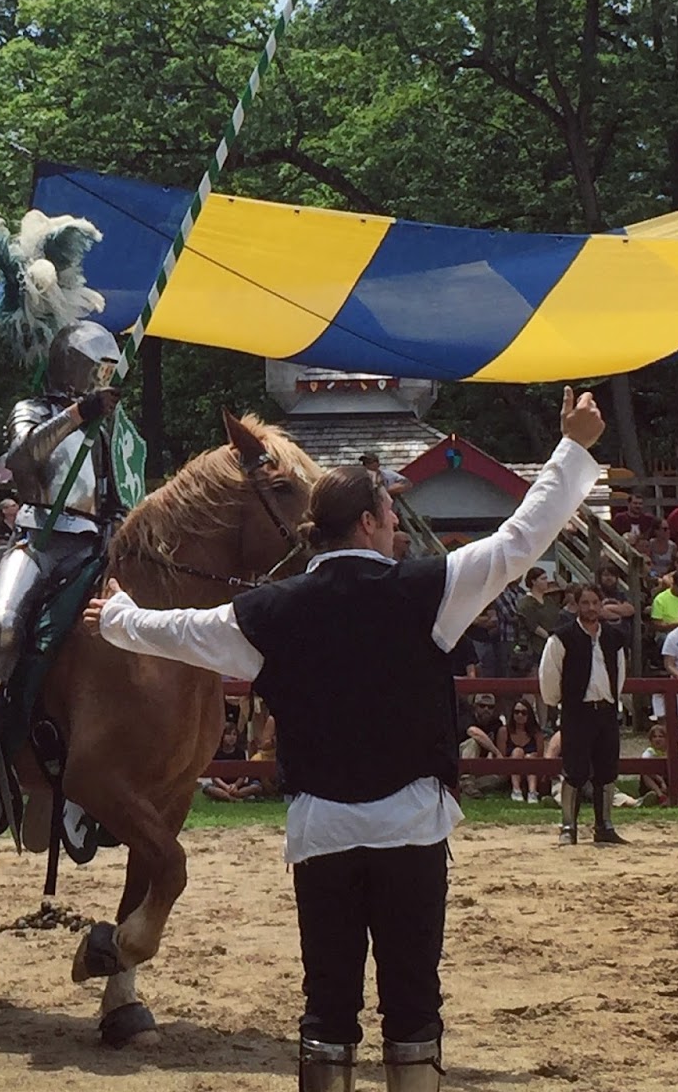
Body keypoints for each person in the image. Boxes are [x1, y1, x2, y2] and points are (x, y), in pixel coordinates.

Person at [87, 387, 605, 1092]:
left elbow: (181, 632)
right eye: (392, 514)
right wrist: (573, 448)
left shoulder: (267, 612)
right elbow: (521, 541)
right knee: (412, 1003)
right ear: (366, 522)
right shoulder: (431, 590)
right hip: (412, 828)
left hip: (322, 832)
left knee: (327, 1008)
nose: (398, 528)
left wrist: (118, 618)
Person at [0, 319, 123, 786]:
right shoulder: (31, 408)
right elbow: (21, 457)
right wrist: (76, 416)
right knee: (2, 623)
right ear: (75, 367)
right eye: (98, 370)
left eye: (109, 373)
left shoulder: (105, 430)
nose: (103, 381)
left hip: (94, 543)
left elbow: (110, 488)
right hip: (39, 539)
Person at [538, 582, 628, 845]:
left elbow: (619, 673)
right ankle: (568, 827)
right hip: (577, 711)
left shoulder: (614, 637)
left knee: (607, 769)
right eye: (585, 603)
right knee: (574, 769)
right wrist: (560, 702)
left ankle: (605, 826)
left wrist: (613, 699)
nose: (590, 608)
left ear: (601, 605)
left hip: (606, 710)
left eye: (595, 602)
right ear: (576, 605)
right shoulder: (562, 637)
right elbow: (550, 674)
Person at [499, 697, 543, 803]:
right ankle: (516, 790)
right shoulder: (504, 731)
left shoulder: (536, 733)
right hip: (510, 770)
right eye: (516, 712)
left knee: (531, 757)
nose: (519, 715)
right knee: (517, 751)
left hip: (532, 771)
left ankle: (532, 792)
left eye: (524, 713)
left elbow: (540, 756)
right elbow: (501, 756)